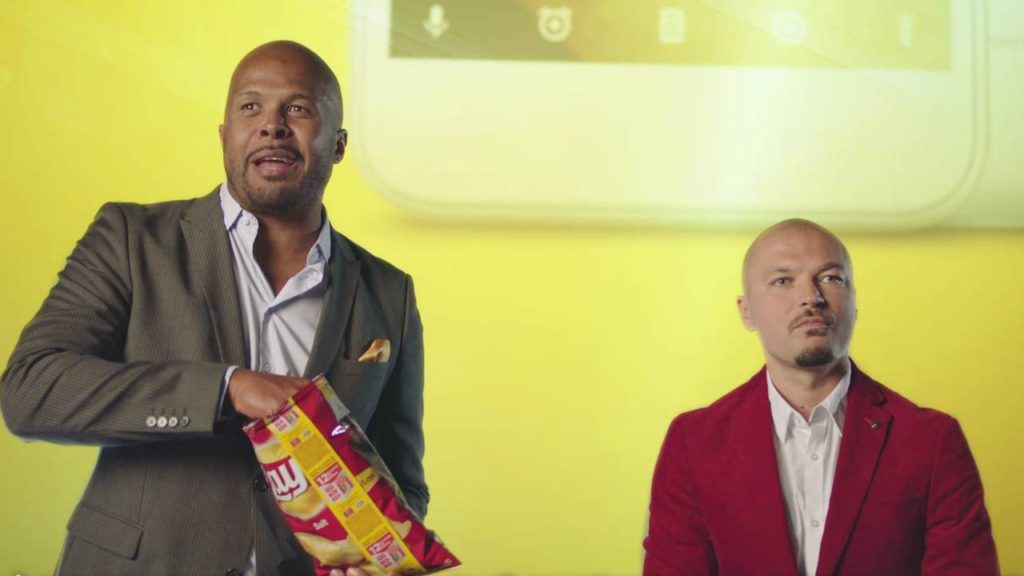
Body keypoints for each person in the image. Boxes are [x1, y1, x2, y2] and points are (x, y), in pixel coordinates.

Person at [1, 41, 427, 576]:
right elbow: (31, 391)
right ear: (225, 135)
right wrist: (228, 389)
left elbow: (400, 484)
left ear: (338, 145)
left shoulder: (389, 293)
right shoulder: (132, 240)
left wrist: (376, 556)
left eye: (298, 108)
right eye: (251, 106)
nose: (272, 125)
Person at [643, 219, 998, 575]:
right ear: (745, 310)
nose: (811, 297)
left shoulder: (931, 441)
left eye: (831, 278)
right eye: (783, 281)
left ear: (855, 302)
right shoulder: (694, 443)